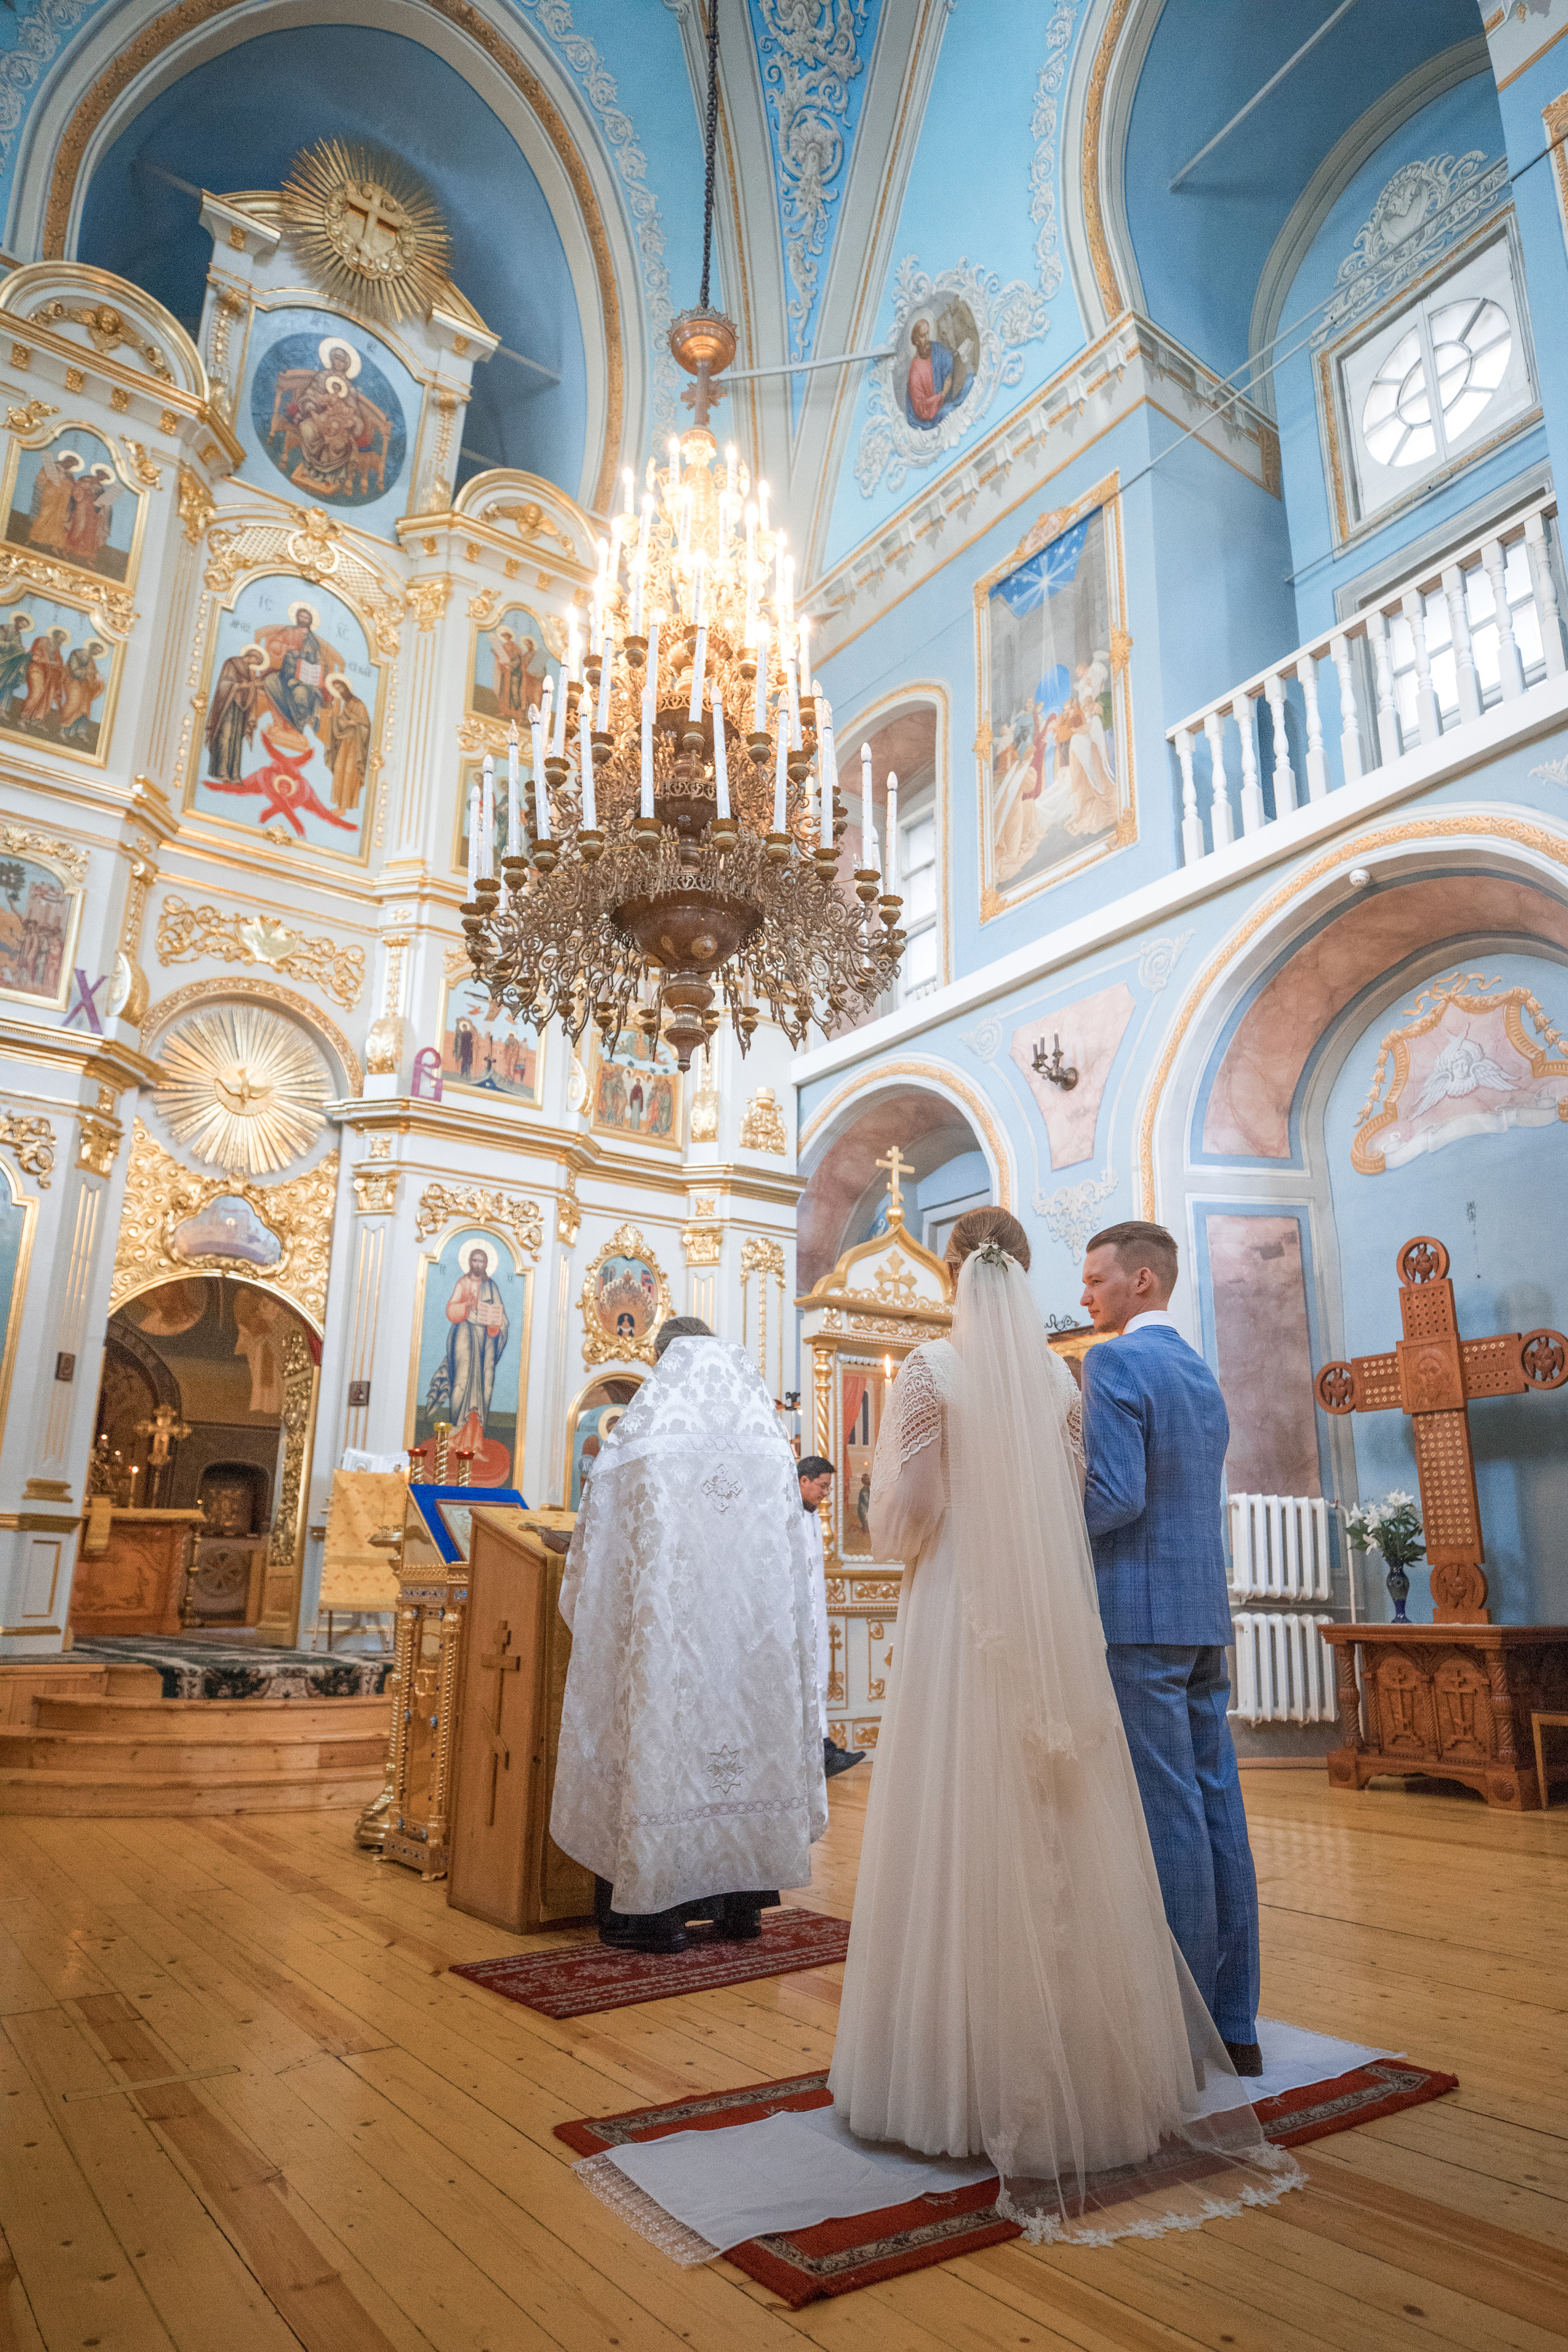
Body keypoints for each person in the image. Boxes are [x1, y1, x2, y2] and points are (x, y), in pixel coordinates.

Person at [830, 1207, 1297, 2244]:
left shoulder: (932, 1370)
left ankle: (963, 2064)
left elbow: (904, 1516)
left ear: (952, 1274)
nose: (1089, 1293)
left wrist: (915, 1516)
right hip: (1128, 1613)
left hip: (976, 1606)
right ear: (1027, 1273)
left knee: (977, 1804)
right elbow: (1071, 1489)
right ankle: (1211, 2022)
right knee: (1107, 1812)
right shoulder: (1064, 1379)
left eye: (1100, 1278)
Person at [553, 1315, 827, 1954]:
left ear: (663, 1361)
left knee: (662, 1752)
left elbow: (597, 1553)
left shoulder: (644, 1436)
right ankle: (742, 1908)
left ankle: (655, 1918)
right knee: (746, 1751)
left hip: (671, 1653)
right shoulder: (766, 1441)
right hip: (750, 1651)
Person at [1078, 1219, 1262, 2075]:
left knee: (1168, 1814)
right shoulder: (1198, 1370)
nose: (1088, 1296)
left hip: (1138, 1615)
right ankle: (1236, 2021)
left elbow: (1114, 1496)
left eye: (1098, 1280)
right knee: (1217, 1803)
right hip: (1200, 1613)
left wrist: (1042, 1527)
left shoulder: (1115, 1362)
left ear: (1142, 1282)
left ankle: (1182, 2023)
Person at [797, 1455, 865, 1779]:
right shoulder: (786, 1517)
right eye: (822, 1486)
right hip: (796, 1615)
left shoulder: (810, 1515)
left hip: (815, 1613)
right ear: (803, 1481)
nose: (826, 1493)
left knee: (819, 1680)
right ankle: (821, 1753)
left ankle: (824, 1750)